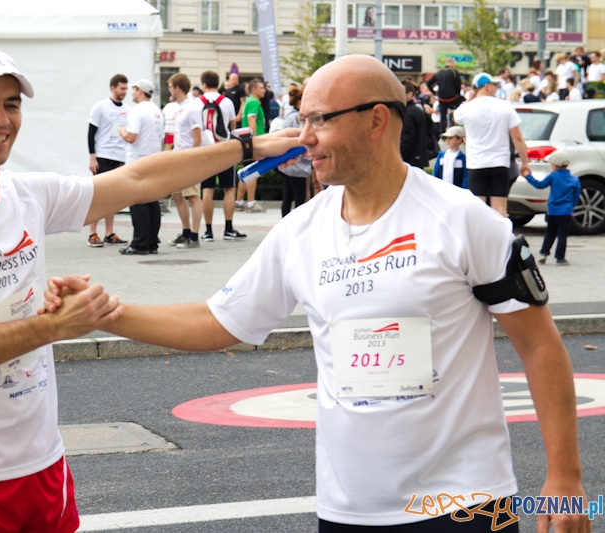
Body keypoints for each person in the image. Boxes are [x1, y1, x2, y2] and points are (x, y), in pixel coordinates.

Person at [46, 54, 589, 532]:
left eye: (319, 120)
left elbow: (540, 346)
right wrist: (107, 314)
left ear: (378, 120)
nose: (303, 136)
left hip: (469, 503)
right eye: (302, 118)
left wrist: (565, 476)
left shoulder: (465, 221)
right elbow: (218, 322)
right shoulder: (300, 231)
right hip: (348, 507)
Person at [0, 46, 302, 533]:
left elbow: (139, 177)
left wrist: (250, 148)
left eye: (12, 104)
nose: (0, 118)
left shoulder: (26, 194)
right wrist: (51, 326)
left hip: (45, 469)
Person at [453, 72, 530, 217]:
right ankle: (502, 239)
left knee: (479, 209)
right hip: (500, 163)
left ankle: (480, 239)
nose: (496, 87)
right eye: (494, 85)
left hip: (476, 163)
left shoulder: (466, 108)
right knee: (500, 209)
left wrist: (468, 100)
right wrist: (524, 162)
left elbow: (456, 117)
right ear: (487, 87)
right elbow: (517, 137)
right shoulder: (505, 106)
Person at [194, 70, 246, 241]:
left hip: (206, 151)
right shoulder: (227, 102)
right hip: (224, 149)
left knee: (207, 190)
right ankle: (228, 228)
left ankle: (208, 231)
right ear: (219, 83)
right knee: (229, 189)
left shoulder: (196, 103)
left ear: (203, 84)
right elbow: (232, 126)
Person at [118, 79, 164, 255]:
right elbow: (160, 138)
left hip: (137, 160)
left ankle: (140, 243)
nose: (131, 93)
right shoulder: (156, 111)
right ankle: (152, 242)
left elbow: (131, 137)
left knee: (137, 202)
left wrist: (122, 131)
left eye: (134, 90)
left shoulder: (137, 110)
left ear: (139, 91)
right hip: (153, 159)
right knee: (152, 201)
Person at [87, 74, 129, 248]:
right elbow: (91, 132)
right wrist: (92, 156)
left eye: (126, 89)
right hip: (103, 155)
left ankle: (109, 233)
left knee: (113, 198)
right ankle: (92, 234)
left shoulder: (128, 109)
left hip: (119, 157)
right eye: (122, 88)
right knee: (99, 197)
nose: (125, 92)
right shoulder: (101, 107)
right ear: (113, 88)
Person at [523, 150, 581, 266]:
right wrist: (571, 207)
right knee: (562, 235)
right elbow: (576, 196)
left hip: (553, 211)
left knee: (550, 233)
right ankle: (560, 258)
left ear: (554, 165)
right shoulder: (574, 179)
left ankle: (544, 253)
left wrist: (527, 176)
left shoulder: (553, 176)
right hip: (566, 212)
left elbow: (539, 185)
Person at [166, 73, 204, 249]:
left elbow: (197, 138)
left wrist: (192, 159)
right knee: (176, 194)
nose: (169, 89)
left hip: (189, 158)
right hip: (179, 157)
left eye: (170, 86)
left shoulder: (192, 108)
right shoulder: (180, 107)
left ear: (177, 88)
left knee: (193, 196)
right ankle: (186, 232)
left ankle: (194, 237)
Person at [278, 86, 311, 217]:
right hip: (297, 163)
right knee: (299, 196)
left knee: (288, 195)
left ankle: (284, 223)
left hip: (289, 161)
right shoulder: (297, 117)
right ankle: (296, 223)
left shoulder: (288, 115)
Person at [235, 78, 267, 213]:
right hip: (253, 140)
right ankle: (251, 202)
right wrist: (253, 140)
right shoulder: (254, 102)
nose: (264, 90)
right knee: (253, 172)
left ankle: (239, 201)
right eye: (261, 88)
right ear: (254, 89)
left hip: (245, 141)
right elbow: (251, 120)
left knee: (247, 171)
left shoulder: (249, 101)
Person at [425, 57, 463, 135]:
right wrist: (457, 94)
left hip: (442, 98)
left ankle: (442, 133)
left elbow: (428, 83)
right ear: (453, 64)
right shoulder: (454, 72)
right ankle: (459, 128)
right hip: (453, 97)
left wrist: (435, 92)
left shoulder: (439, 72)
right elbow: (458, 85)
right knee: (462, 105)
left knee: (442, 116)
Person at [399, 80, 428, 169]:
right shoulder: (417, 110)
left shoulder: (409, 112)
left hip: (410, 159)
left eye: (401, 92)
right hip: (419, 157)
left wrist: (399, 156)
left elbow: (407, 137)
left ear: (410, 95)